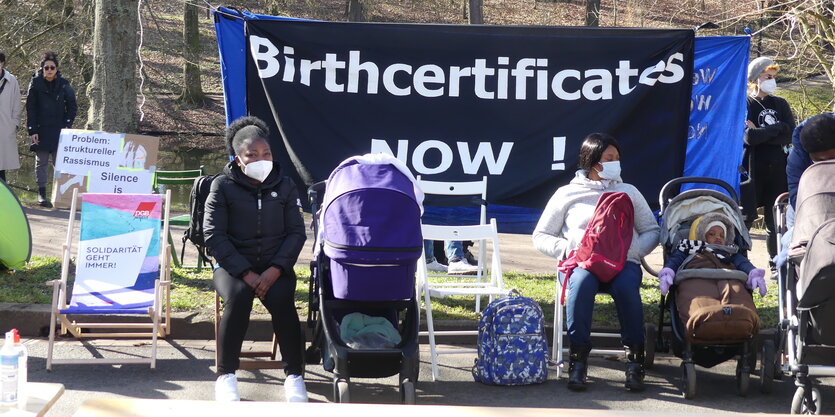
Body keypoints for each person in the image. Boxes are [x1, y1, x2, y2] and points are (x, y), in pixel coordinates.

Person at [532, 133, 660, 392]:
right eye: (608, 158)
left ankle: (635, 362)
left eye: (617, 158)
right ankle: (578, 362)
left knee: (627, 289)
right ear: (592, 161)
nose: (615, 163)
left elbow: (652, 230)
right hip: (582, 263)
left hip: (623, 263)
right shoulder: (567, 194)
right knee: (579, 287)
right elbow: (541, 235)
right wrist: (567, 249)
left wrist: (633, 251)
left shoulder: (628, 192)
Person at [203, 116, 308, 402]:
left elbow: (296, 234)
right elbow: (213, 236)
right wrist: (246, 273)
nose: (261, 159)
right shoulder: (222, 186)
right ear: (238, 159)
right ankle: (226, 375)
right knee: (237, 298)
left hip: (275, 267)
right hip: (234, 268)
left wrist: (275, 269)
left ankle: (295, 375)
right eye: (252, 155)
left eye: (267, 153)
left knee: (283, 300)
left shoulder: (285, 185)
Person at [740, 56, 795, 276]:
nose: (772, 80)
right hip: (752, 169)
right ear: (755, 79)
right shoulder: (746, 104)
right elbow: (748, 138)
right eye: (767, 76)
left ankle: (776, 263)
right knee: (747, 217)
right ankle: (741, 261)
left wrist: (764, 132)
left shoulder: (780, 104)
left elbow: (790, 133)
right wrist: (777, 129)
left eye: (773, 76)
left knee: (776, 220)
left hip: (777, 169)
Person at [658, 212, 767, 298]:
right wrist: (668, 272)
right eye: (712, 234)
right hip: (697, 280)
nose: (718, 237)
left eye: (722, 235)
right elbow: (675, 260)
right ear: (701, 235)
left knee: (738, 295)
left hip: (728, 280)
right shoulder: (689, 248)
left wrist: (753, 273)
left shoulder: (729, 251)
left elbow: (743, 263)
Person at [26, 51, 77, 207]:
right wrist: (32, 130)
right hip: (40, 130)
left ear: (56, 69)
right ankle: (42, 196)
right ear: (42, 68)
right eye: (46, 67)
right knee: (41, 163)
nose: (49, 70)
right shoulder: (35, 84)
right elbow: (31, 108)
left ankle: (61, 197)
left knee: (60, 164)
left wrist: (67, 124)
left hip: (59, 130)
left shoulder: (64, 84)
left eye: (52, 67)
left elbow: (72, 105)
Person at [0, 51, 22, 183]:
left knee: (1, 165)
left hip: (5, 127)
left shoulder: (12, 80)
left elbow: (16, 103)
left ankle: (4, 198)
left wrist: (14, 123)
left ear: (2, 63)